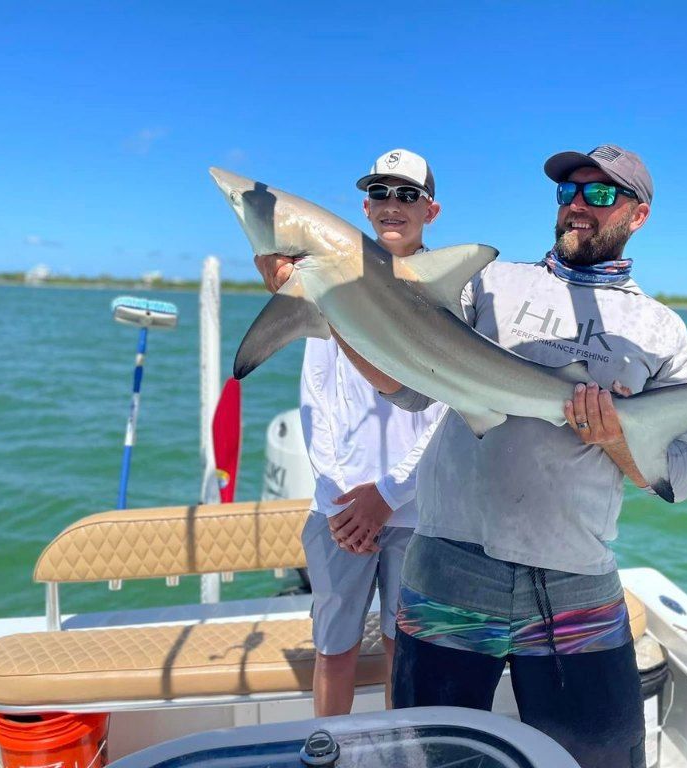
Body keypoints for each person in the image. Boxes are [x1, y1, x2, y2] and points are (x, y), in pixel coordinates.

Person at [345, 144, 687, 768]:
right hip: (451, 564)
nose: (577, 208)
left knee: (605, 759)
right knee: (428, 759)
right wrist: (330, 307)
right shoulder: (490, 283)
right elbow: (404, 386)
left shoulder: (659, 330)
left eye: (598, 195)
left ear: (638, 215)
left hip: (575, 577)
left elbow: (682, 476)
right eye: (568, 193)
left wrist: (615, 439)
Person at [253, 148, 445, 716]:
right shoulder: (326, 283)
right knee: (333, 650)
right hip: (335, 511)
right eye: (382, 194)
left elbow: (446, 411)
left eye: (407, 195)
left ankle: (399, 752)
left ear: (431, 211)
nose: (393, 205)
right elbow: (317, 397)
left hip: (416, 509)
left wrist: (387, 496)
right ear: (364, 206)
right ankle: (327, 751)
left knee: (401, 646)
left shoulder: (449, 295)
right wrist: (341, 496)